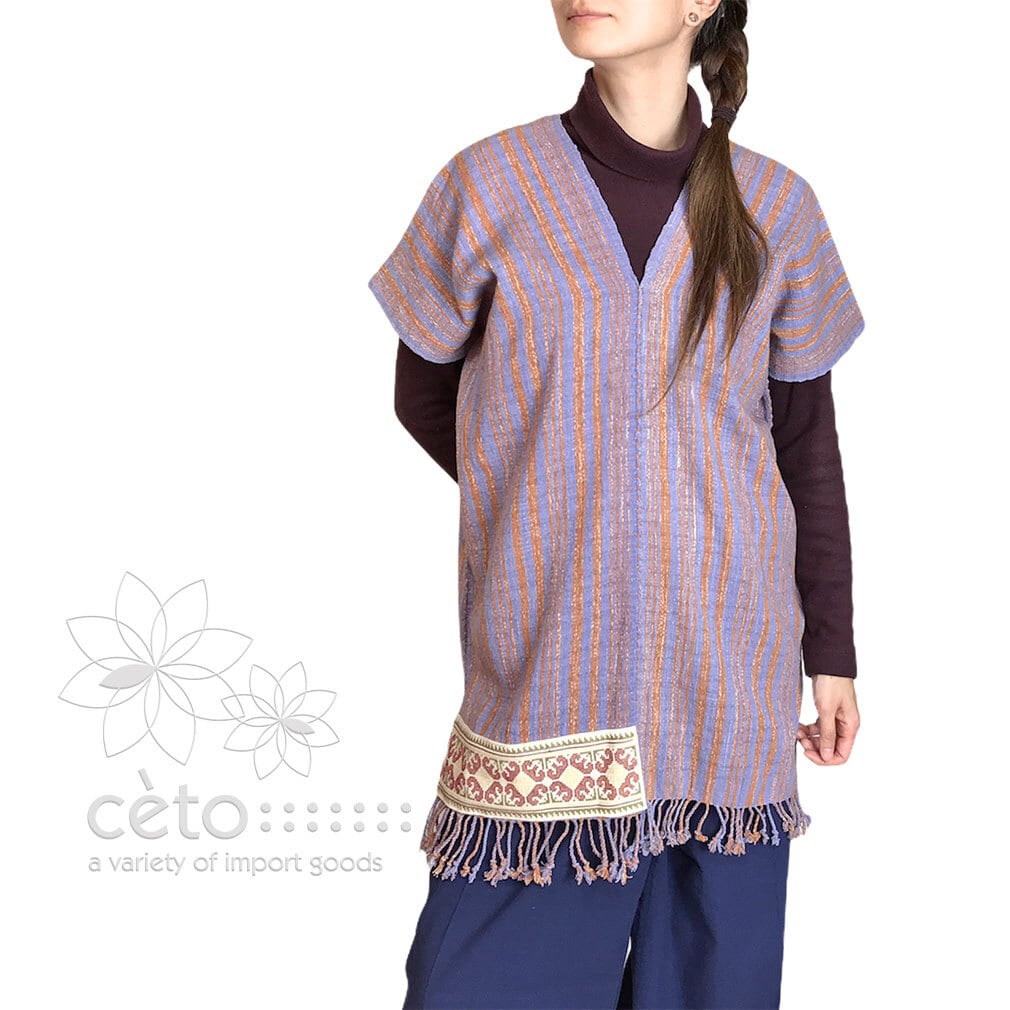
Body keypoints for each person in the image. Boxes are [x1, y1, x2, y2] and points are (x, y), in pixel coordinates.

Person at [367, 2, 865, 1007]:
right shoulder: (488, 183)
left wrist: (833, 651)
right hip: (548, 681)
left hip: (725, 681)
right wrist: (556, 499)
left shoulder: (777, 206)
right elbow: (424, 393)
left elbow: (805, 442)